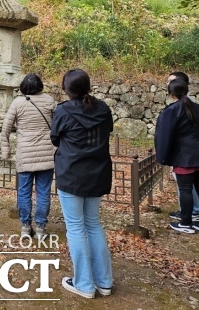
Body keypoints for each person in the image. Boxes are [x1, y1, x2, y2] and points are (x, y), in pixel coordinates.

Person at [50, 69, 113, 299]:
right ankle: (104, 282)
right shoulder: (104, 110)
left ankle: (84, 284)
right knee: (93, 225)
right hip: (97, 173)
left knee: (75, 228)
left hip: (71, 174)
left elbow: (55, 138)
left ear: (67, 90)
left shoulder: (63, 111)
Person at [155, 78, 199, 235]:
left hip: (185, 157)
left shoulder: (172, 111)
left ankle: (186, 223)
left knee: (185, 189)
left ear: (170, 93)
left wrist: (163, 157)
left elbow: (164, 136)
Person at [1, 73, 56, 239]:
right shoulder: (49, 101)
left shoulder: (18, 103)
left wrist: (6, 150)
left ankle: (25, 227)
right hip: (47, 155)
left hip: (25, 155)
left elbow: (5, 128)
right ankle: (40, 228)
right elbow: (60, 124)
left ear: (23, 87)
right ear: (40, 86)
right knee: (43, 193)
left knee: (24, 192)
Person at [165, 71, 199, 223]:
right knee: (188, 185)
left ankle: (192, 211)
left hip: (185, 154)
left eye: (171, 81)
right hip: (188, 152)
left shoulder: (185, 106)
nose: (168, 84)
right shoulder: (185, 105)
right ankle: (190, 210)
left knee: (186, 185)